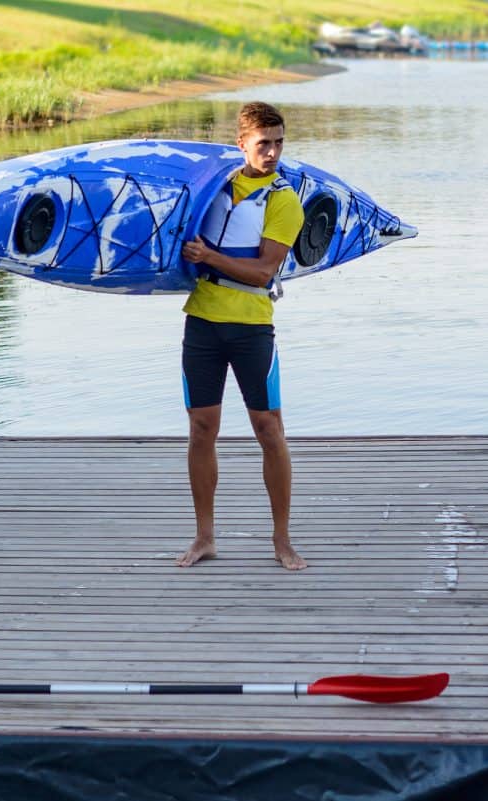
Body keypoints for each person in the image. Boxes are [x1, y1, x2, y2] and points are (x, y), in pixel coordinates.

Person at [175, 101, 308, 571]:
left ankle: (282, 540)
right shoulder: (213, 189)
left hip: (252, 327)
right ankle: (205, 537)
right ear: (242, 145)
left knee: (269, 430)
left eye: (278, 144)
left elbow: (263, 271)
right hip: (203, 323)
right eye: (263, 144)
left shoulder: (283, 199)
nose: (272, 153)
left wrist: (208, 257)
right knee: (201, 429)